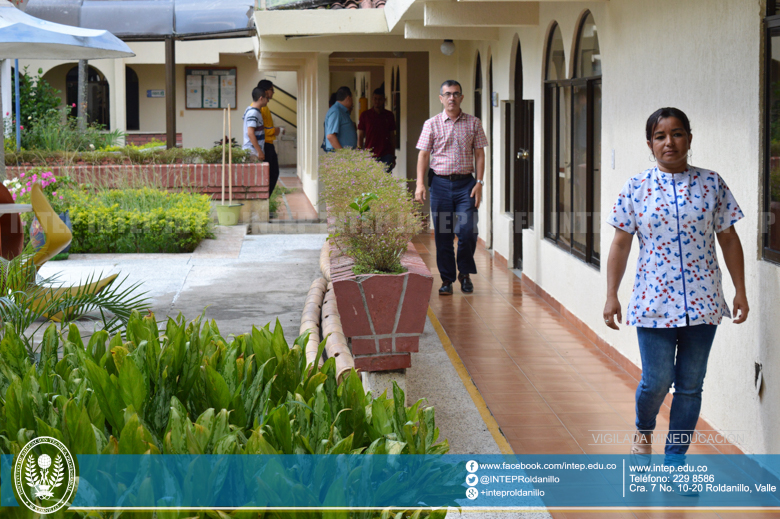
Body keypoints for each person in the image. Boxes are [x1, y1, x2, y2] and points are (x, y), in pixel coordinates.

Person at [603, 107, 748, 480]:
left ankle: (675, 463)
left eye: (678, 134)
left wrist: (740, 290)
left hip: (704, 301)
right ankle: (643, 428)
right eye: (661, 136)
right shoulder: (636, 187)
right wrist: (611, 294)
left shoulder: (712, 183)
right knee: (656, 380)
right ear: (650, 143)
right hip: (653, 300)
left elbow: (729, 239)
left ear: (689, 138)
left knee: (689, 386)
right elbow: (620, 244)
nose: (670, 142)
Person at [415, 80, 487, 295]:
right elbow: (424, 155)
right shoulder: (432, 124)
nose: (451, 98)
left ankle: (464, 273)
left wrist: (480, 183)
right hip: (441, 185)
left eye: (456, 94)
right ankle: (447, 279)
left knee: (468, 231)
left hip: (466, 185)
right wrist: (420, 184)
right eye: (447, 94)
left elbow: (480, 154)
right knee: (444, 234)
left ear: (461, 97)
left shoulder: (474, 123)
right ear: (441, 98)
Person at [358, 88, 396, 171]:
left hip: (386, 154)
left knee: (385, 180)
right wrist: (360, 154)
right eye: (375, 99)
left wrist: (393, 156)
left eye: (380, 99)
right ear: (372, 99)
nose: (377, 101)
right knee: (372, 181)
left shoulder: (389, 115)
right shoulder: (365, 115)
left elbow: (392, 136)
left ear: (384, 100)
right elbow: (360, 136)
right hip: (370, 154)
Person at [256, 79, 283, 197]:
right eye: (272, 90)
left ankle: (265, 200)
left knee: (272, 174)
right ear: (266, 91)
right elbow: (261, 129)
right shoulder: (262, 107)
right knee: (272, 174)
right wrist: (276, 131)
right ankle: (264, 199)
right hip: (265, 144)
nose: (273, 93)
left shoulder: (264, 107)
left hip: (267, 143)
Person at [322, 86, 357, 152]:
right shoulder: (336, 111)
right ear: (348, 98)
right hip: (338, 155)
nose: (352, 102)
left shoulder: (342, 111)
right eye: (352, 98)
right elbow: (331, 136)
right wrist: (342, 154)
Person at [242, 87, 268, 162]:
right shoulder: (253, 113)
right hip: (252, 152)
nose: (268, 101)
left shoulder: (250, 110)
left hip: (253, 151)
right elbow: (250, 133)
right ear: (261, 98)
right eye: (267, 98)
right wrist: (259, 151)